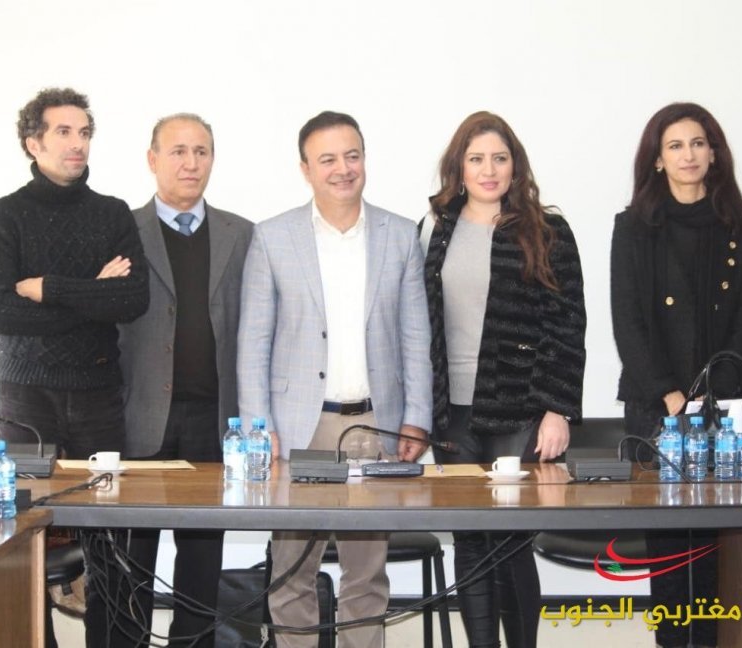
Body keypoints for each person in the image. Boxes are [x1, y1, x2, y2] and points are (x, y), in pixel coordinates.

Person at [238, 110, 432, 648]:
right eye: (328, 159)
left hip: (375, 425)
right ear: (306, 169)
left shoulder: (400, 235)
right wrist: (260, 430)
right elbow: (253, 343)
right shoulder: (273, 237)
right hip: (299, 429)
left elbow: (416, 336)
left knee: (366, 574)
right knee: (291, 571)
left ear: (364, 159)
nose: (343, 169)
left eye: (352, 156)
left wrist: (417, 417)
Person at [0, 87, 150, 648]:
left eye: (85, 132)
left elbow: (132, 300)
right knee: (20, 540)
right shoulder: (4, 215)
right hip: (26, 400)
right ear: (33, 143)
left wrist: (48, 288)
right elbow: (2, 313)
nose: (78, 144)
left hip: (99, 398)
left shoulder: (112, 213)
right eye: (64, 132)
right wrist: (92, 292)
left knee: (110, 544)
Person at [424, 111, 586, 648]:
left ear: (515, 166)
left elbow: (567, 324)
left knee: (511, 540)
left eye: (499, 158)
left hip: (520, 410)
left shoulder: (548, 230)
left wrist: (557, 409)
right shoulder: (436, 228)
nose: (488, 170)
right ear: (459, 167)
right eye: (476, 159)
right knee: (470, 540)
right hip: (453, 413)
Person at [611, 102, 742, 648]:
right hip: (656, 412)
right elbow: (627, 323)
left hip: (723, 414)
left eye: (698, 143)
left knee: (720, 555)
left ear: (714, 153)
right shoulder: (633, 228)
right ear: (657, 159)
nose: (688, 155)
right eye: (675, 145)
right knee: (671, 554)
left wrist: (709, 401)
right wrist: (670, 395)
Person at [99, 114, 252, 648]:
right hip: (139, 417)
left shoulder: (242, 234)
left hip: (214, 421)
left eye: (201, 151)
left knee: (202, 563)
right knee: (131, 561)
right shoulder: (120, 230)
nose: (191, 163)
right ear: (152, 159)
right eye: (178, 151)